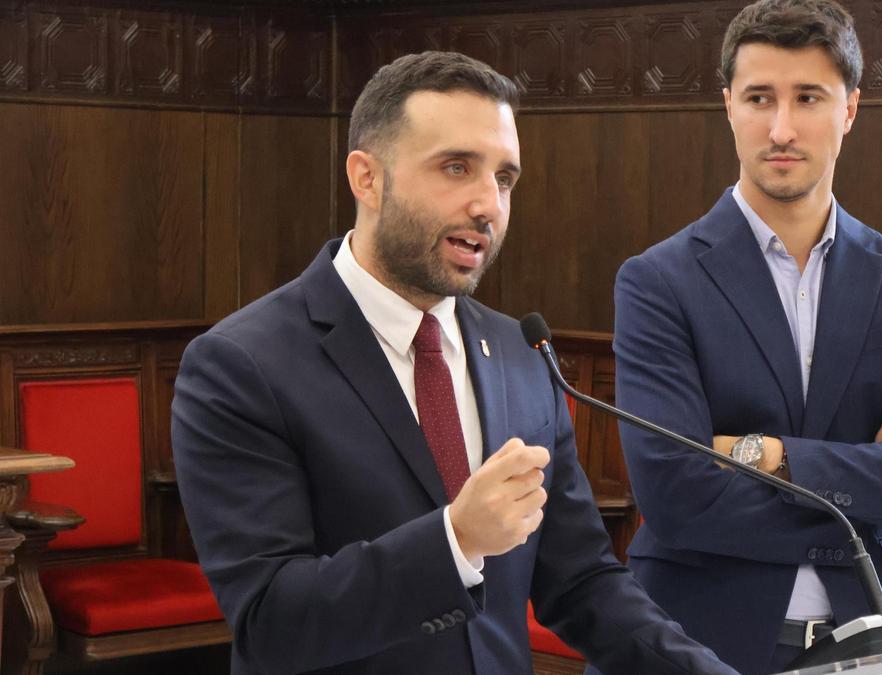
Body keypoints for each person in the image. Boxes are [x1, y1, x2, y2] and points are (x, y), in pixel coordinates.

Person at [171, 51, 735, 675]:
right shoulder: (240, 364)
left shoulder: (522, 355)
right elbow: (270, 620)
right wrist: (455, 540)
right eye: (456, 168)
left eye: (504, 179)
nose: (487, 205)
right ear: (366, 177)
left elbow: (581, 582)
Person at [611, 1, 882, 673]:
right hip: (698, 639)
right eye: (760, 97)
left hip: (873, 640)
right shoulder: (656, 281)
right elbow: (675, 498)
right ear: (729, 106)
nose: (781, 127)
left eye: (808, 97)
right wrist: (875, 476)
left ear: (849, 109)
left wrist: (770, 456)